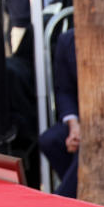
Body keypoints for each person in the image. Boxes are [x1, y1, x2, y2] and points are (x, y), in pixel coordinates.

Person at [39, 28, 79, 198]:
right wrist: (74, 125)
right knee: (49, 140)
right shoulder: (67, 39)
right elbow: (64, 90)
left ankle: (62, 198)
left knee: (87, 148)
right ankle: (77, 195)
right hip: (82, 117)